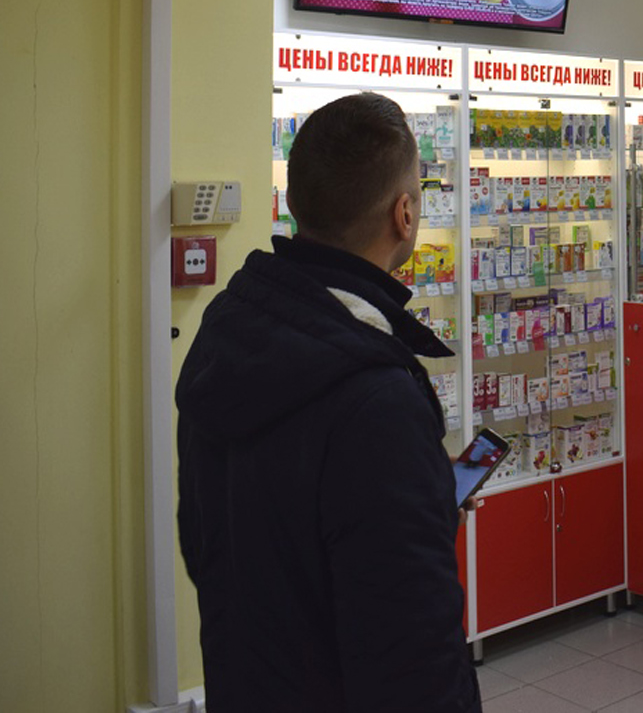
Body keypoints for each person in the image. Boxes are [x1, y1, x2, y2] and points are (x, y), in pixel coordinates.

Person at [176, 92, 481, 712]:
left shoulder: (229, 328)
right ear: (404, 215)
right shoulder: (377, 396)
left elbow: (209, 535)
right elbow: (415, 654)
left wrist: (419, 490)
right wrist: (415, 495)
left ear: (295, 202)